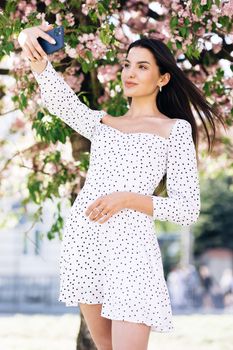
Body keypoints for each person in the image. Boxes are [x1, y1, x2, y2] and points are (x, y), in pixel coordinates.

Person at [18, 23, 225, 350]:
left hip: (132, 251)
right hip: (86, 242)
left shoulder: (175, 130)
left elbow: (187, 210)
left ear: (162, 78)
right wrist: (29, 43)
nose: (129, 72)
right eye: (127, 64)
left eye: (142, 66)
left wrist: (127, 199)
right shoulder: (101, 123)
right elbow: (60, 100)